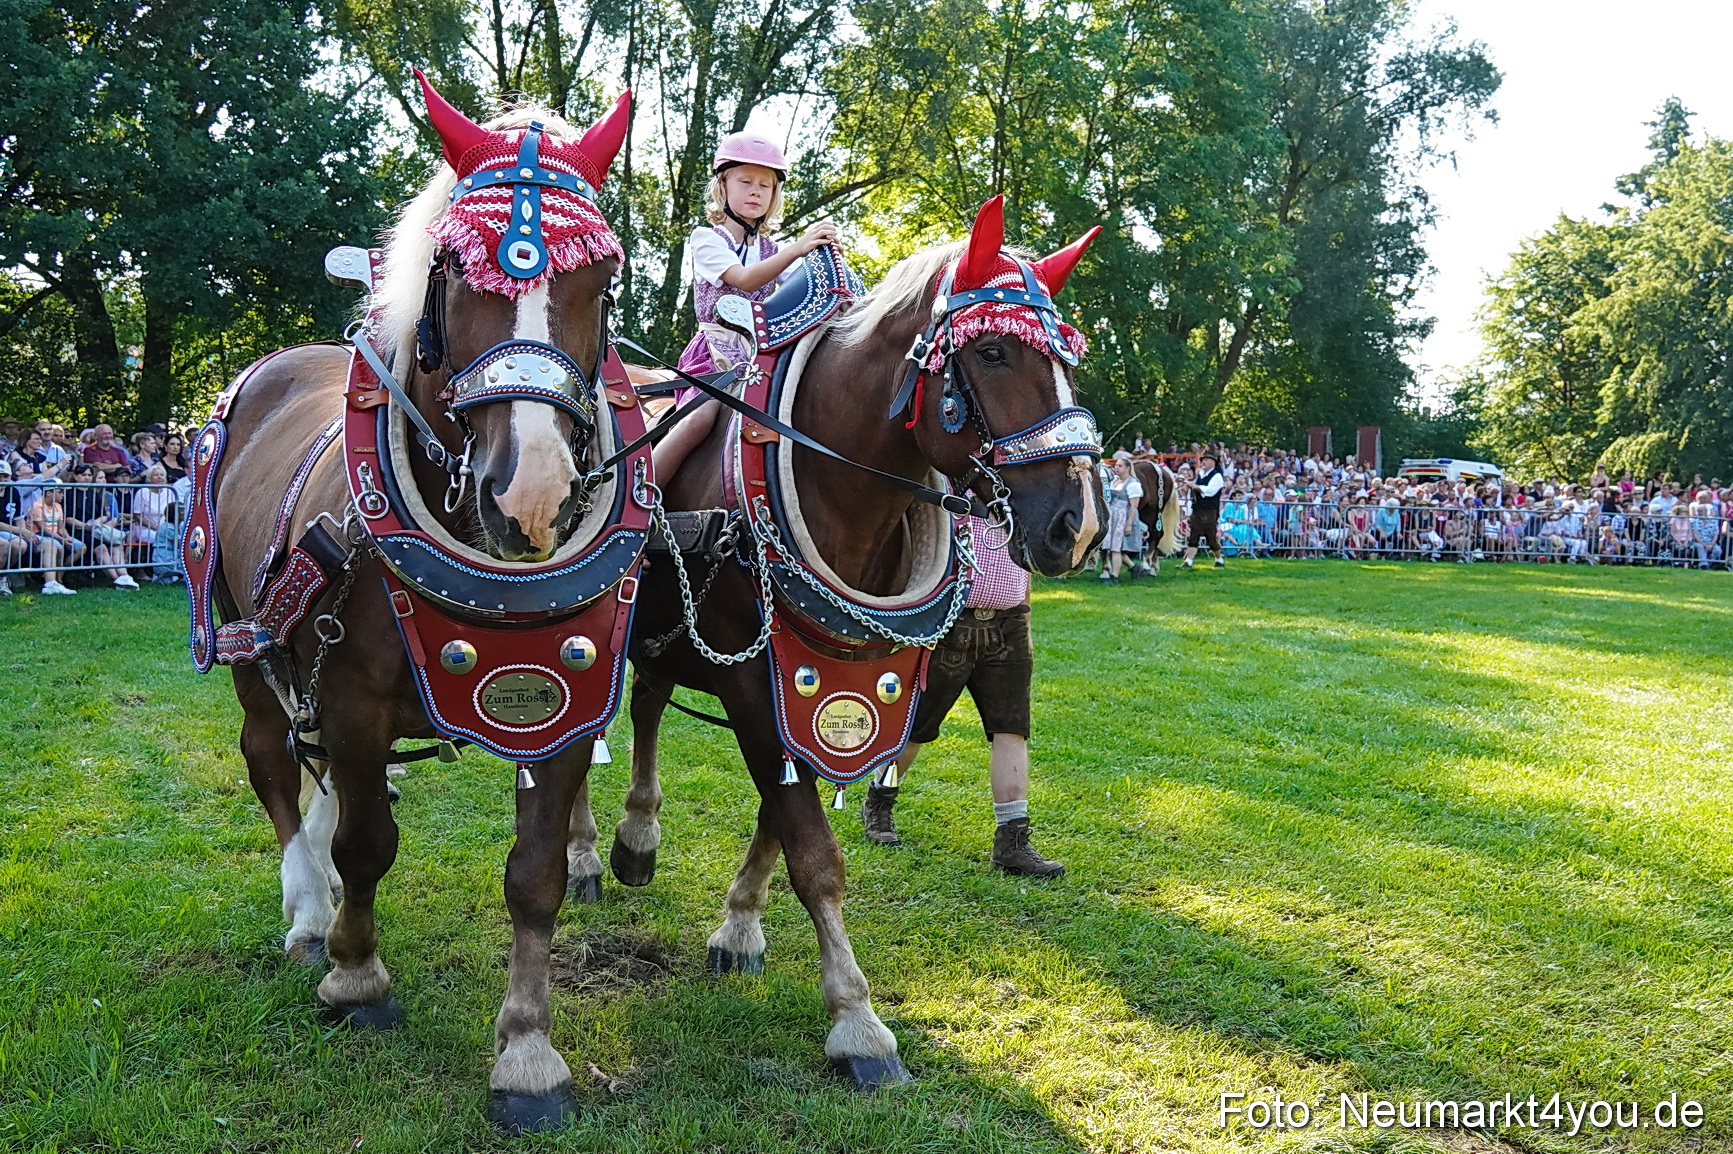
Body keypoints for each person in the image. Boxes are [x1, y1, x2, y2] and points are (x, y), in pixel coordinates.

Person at [859, 515, 1064, 878]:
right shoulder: (949, 487)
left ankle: (1012, 842)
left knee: (1011, 728)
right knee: (916, 729)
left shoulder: (1017, 493)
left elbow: (1023, 564)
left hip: (1009, 624)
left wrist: (1026, 622)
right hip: (948, 624)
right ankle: (880, 800)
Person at [651, 133, 838, 481]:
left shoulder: (772, 249)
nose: (755, 191)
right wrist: (799, 248)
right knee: (700, 417)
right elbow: (745, 279)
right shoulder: (707, 239)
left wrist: (827, 267)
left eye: (765, 186)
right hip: (713, 355)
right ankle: (640, 495)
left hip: (758, 357)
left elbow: (804, 288)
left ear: (774, 196)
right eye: (746, 181)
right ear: (723, 186)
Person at [63, 463, 137, 588]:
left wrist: (95, 522)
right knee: (101, 547)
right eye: (83, 475)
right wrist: (85, 525)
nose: (87, 477)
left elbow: (103, 515)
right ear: (76, 477)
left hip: (95, 528)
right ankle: (116, 580)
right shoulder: (69, 494)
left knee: (116, 544)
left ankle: (124, 576)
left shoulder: (94, 493)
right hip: (77, 530)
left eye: (89, 475)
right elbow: (67, 518)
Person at [26, 481, 81, 593]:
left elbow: (61, 527)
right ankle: (56, 581)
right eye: (59, 492)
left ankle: (60, 576)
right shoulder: (37, 506)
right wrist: (61, 540)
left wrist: (67, 537)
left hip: (56, 535)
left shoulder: (58, 506)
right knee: (59, 547)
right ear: (49, 493)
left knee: (80, 547)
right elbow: (43, 530)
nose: (62, 495)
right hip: (38, 536)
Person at [1099, 451, 1142, 582]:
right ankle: (1134, 568)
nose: (1116, 468)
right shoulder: (1115, 481)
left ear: (1128, 468)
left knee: (1116, 549)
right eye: (1116, 466)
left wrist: (1129, 524)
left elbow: (1134, 506)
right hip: (1113, 516)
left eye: (1120, 466)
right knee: (1113, 548)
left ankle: (1114, 576)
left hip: (1124, 516)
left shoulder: (1133, 484)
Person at [1181, 450, 1226, 569]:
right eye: (1203, 460)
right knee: (1193, 535)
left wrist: (1194, 486)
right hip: (1197, 509)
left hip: (1209, 510)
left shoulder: (1217, 476)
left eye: (1206, 460)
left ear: (1213, 463)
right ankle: (1188, 561)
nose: (1203, 462)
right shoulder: (1200, 475)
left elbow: (1210, 491)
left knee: (1210, 536)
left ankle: (1219, 559)